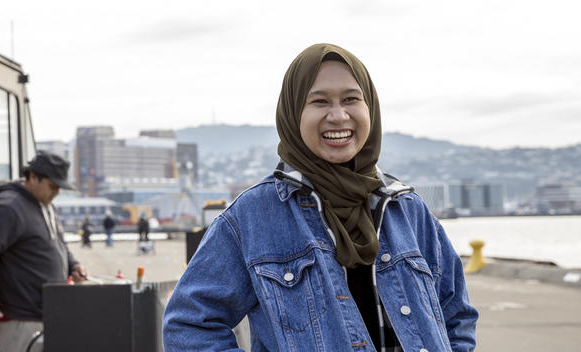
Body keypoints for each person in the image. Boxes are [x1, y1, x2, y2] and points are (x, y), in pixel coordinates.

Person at [162, 44, 478, 352]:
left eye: (351, 99)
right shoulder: (252, 217)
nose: (338, 116)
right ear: (293, 114)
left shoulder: (407, 210)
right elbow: (189, 325)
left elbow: (456, 315)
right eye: (320, 102)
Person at [0, 151, 88, 352]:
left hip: (43, 315)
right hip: (19, 319)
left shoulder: (46, 205)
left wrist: (72, 265)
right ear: (33, 177)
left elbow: (58, 244)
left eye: (59, 188)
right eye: (52, 186)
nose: (56, 193)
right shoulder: (11, 207)